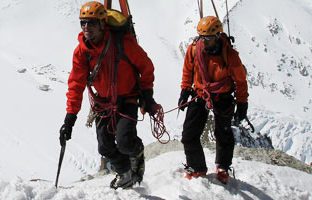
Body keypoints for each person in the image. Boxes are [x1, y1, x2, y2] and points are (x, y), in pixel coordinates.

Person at [59, 1, 158, 189]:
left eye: (92, 22)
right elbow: (76, 84)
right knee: (104, 147)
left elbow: (146, 67)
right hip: (103, 103)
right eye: (83, 22)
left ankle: (136, 153)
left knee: (125, 141)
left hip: (128, 97)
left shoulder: (123, 43)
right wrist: (69, 118)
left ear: (103, 24)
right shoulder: (82, 52)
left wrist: (148, 95)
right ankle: (125, 173)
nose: (87, 27)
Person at [178, 16, 249, 184]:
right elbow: (188, 70)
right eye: (202, 37)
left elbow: (240, 81)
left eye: (208, 38)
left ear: (217, 36)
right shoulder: (195, 49)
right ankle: (197, 167)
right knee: (189, 134)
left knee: (223, 133)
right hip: (200, 94)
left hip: (222, 96)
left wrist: (242, 102)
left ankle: (223, 167)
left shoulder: (229, 55)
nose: (204, 40)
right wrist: (184, 90)